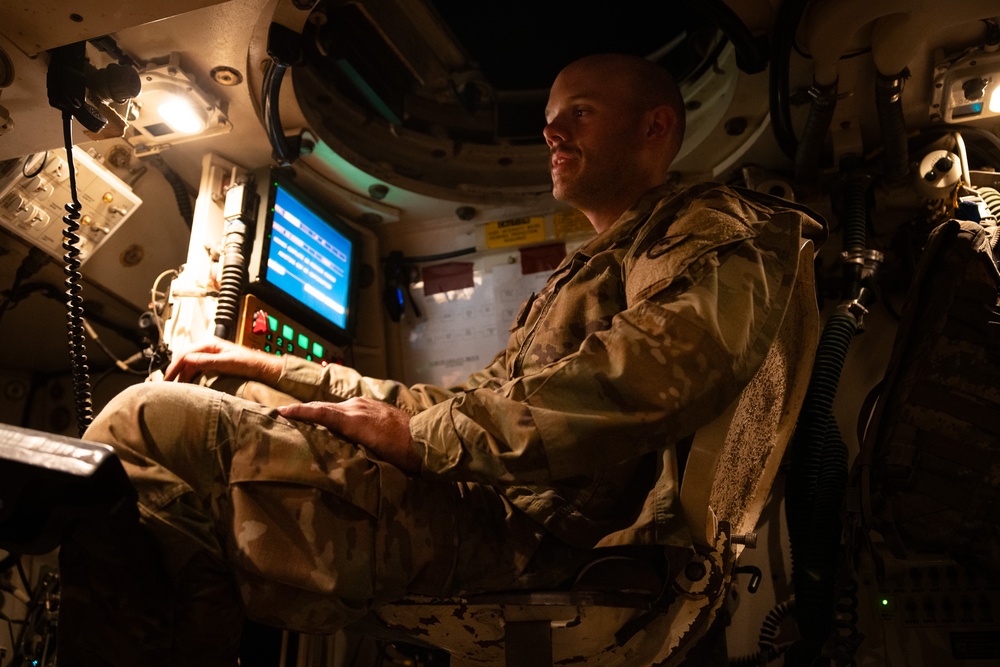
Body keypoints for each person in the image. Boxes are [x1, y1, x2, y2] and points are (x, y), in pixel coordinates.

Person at [56, 53, 825, 666]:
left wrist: (425, 441)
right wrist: (270, 369)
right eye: (551, 122)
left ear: (656, 126)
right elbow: (447, 401)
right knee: (210, 402)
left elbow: (660, 372)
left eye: (579, 116)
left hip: (534, 541)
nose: (553, 135)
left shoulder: (705, 224)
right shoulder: (589, 270)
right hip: (495, 506)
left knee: (140, 425)